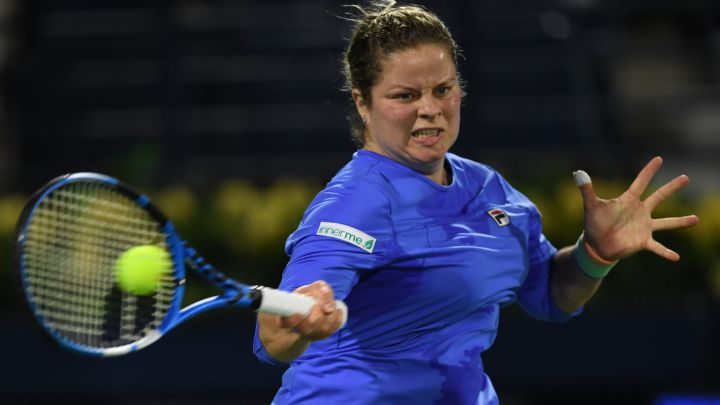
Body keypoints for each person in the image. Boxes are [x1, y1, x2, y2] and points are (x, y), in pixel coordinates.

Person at [253, 1, 700, 404]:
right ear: (363, 104)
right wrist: (296, 320)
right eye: (405, 95)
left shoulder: (489, 188)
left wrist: (595, 253)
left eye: (442, 89)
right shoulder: (351, 205)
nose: (430, 109)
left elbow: (549, 295)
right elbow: (275, 336)